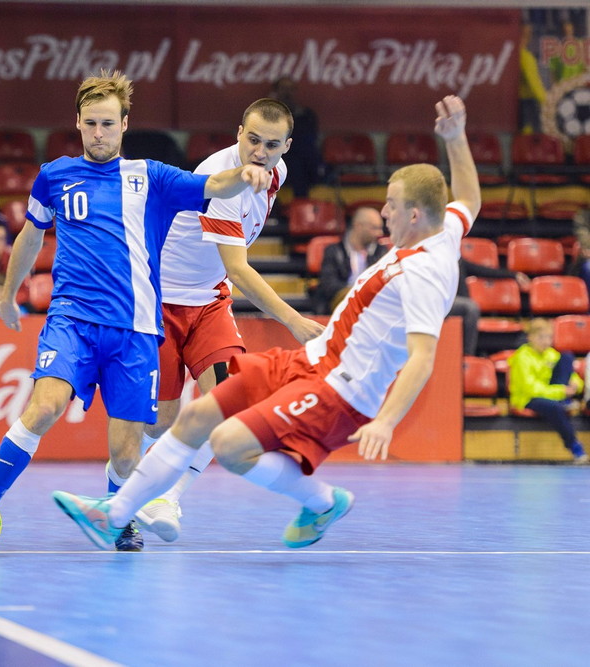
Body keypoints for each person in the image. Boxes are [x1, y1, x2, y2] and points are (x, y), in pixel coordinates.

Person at [53, 94, 481, 551]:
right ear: (239, 134)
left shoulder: (423, 272)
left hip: (330, 375)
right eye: (253, 140)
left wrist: (388, 421)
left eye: (391, 205)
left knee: (224, 429)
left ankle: (179, 503)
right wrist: (456, 139)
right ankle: (117, 510)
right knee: (182, 418)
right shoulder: (443, 228)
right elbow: (468, 199)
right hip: (187, 308)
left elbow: (423, 357)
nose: (382, 213)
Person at [0, 69, 277, 554]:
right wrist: (7, 294)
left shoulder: (153, 177)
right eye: (91, 124)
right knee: (44, 408)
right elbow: (30, 236)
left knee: (124, 452)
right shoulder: (54, 175)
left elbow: (214, 185)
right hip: (72, 321)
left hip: (136, 331)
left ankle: (116, 517)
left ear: (124, 125)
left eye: (108, 124)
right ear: (78, 123)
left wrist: (242, 175)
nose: (99, 133)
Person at [133, 98, 325, 543]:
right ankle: (132, 488)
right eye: (253, 139)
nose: (260, 151)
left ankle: (169, 499)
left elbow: (229, 272)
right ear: (239, 132)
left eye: (271, 144)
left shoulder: (278, 173)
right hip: (162, 299)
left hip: (210, 302)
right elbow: (239, 267)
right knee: (161, 421)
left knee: (222, 408)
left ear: (287, 147)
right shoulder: (221, 180)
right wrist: (294, 321)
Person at [508, 318, 588, 464]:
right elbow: (531, 389)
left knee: (567, 357)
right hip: (527, 399)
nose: (545, 341)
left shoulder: (551, 354)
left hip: (552, 394)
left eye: (549, 337)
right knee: (555, 408)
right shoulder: (522, 357)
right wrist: (561, 392)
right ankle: (575, 447)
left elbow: (573, 377)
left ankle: (564, 401)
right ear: (530, 337)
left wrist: (575, 385)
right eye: (541, 337)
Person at [315, 207, 388, 314]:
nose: (380, 233)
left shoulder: (381, 252)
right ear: (358, 226)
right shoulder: (334, 251)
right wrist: (355, 292)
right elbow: (329, 284)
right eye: (374, 228)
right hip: (340, 303)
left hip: (371, 304)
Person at [451, 259, 530, 356]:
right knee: (470, 307)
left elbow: (483, 271)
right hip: (446, 307)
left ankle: (469, 357)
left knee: (525, 337)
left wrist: (513, 275)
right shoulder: (434, 261)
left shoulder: (457, 260)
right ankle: (467, 356)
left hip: (464, 312)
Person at [268, 77, 320, 198]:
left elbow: (310, 141)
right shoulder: (267, 115)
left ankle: (301, 208)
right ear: (276, 91)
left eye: (290, 89)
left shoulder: (306, 115)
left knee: (302, 164)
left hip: (300, 159)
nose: (287, 93)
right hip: (275, 157)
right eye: (283, 89)